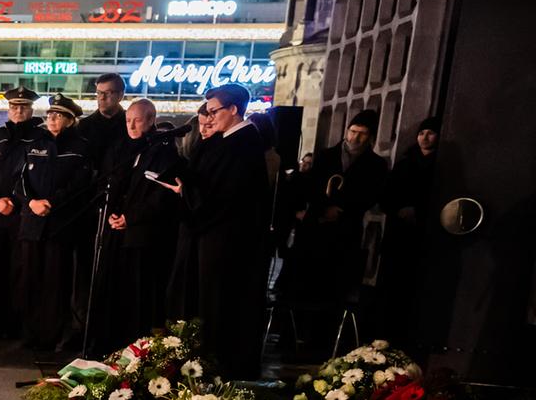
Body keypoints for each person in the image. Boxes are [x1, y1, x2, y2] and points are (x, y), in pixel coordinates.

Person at [166, 82, 270, 378]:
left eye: (214, 111)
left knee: (221, 305)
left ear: (234, 109)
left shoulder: (244, 142)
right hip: (212, 235)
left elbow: (225, 195)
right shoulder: (226, 141)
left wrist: (187, 192)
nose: (209, 118)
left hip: (228, 240)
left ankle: (220, 365)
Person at [14, 95, 95, 351]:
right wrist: (31, 202)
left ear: (71, 120)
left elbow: (79, 184)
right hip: (32, 224)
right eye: (50, 114)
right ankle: (29, 334)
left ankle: (52, 336)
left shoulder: (80, 147)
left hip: (60, 225)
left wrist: (51, 202)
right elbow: (20, 179)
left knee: (55, 283)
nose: (51, 119)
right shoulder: (34, 143)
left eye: (58, 115)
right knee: (30, 281)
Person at [291, 108, 388, 314]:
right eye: (353, 131)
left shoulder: (376, 164)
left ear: (370, 136)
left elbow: (371, 195)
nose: (355, 137)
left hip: (345, 229)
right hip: (315, 226)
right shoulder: (326, 155)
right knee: (305, 279)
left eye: (362, 133)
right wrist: (322, 209)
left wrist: (343, 209)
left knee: (333, 283)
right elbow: (311, 186)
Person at [103, 99, 181, 344]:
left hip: (145, 235)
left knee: (141, 294)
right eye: (128, 120)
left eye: (137, 120)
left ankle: (138, 344)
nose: (132, 125)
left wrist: (130, 217)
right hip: (119, 233)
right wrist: (112, 213)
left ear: (150, 120)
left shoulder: (162, 151)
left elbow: (161, 195)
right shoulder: (125, 149)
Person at [0, 86, 43, 334]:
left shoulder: (40, 138)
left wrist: (15, 200)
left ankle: (17, 323)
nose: (18, 111)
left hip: (23, 216)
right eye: (14, 106)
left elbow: (36, 177)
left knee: (21, 272)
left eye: (23, 107)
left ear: (31, 109)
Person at [379, 116, 439, 346]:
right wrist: (399, 209)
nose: (425, 137)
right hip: (398, 234)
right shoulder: (405, 163)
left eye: (430, 133)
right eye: (421, 132)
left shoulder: (442, 165)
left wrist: (420, 211)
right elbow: (387, 195)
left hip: (423, 236)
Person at [76, 72, 129, 165]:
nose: (101, 98)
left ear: (120, 96)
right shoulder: (83, 126)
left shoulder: (131, 125)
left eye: (107, 93)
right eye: (99, 93)